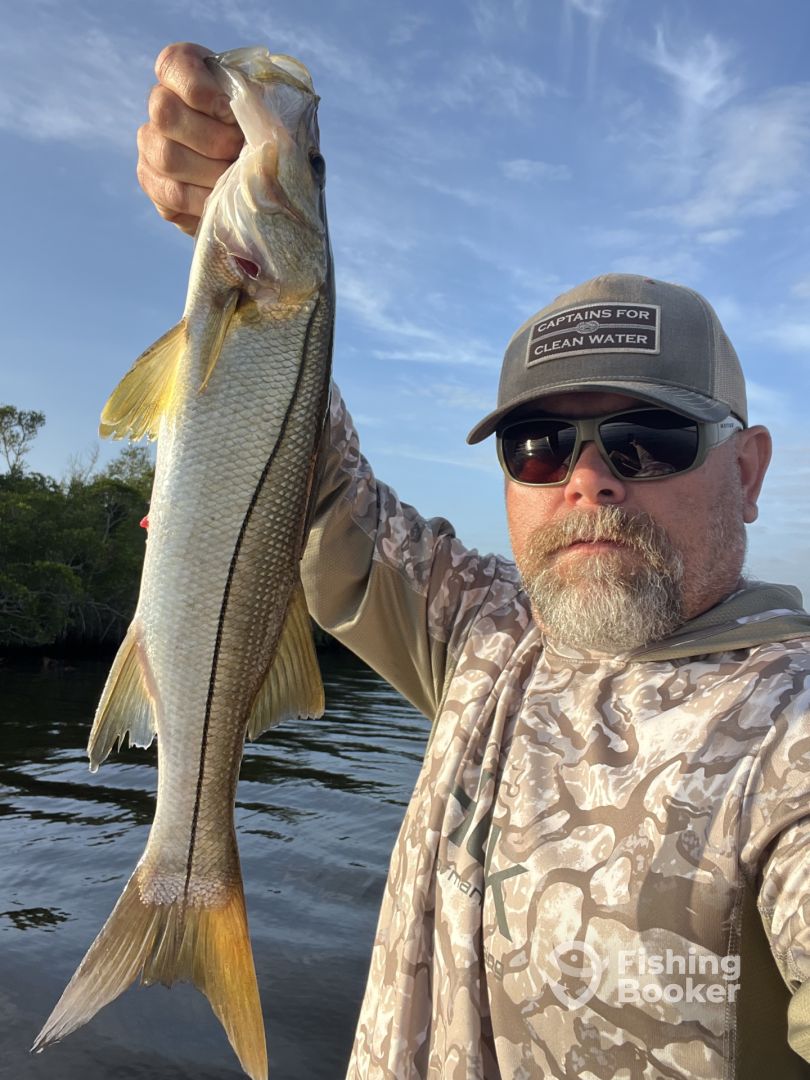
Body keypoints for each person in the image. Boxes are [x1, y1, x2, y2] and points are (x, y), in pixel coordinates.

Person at [137, 42, 810, 1080]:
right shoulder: (486, 633)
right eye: (538, 445)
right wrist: (230, 226)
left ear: (749, 471)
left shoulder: (789, 737)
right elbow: (308, 488)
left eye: (649, 438)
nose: (588, 481)